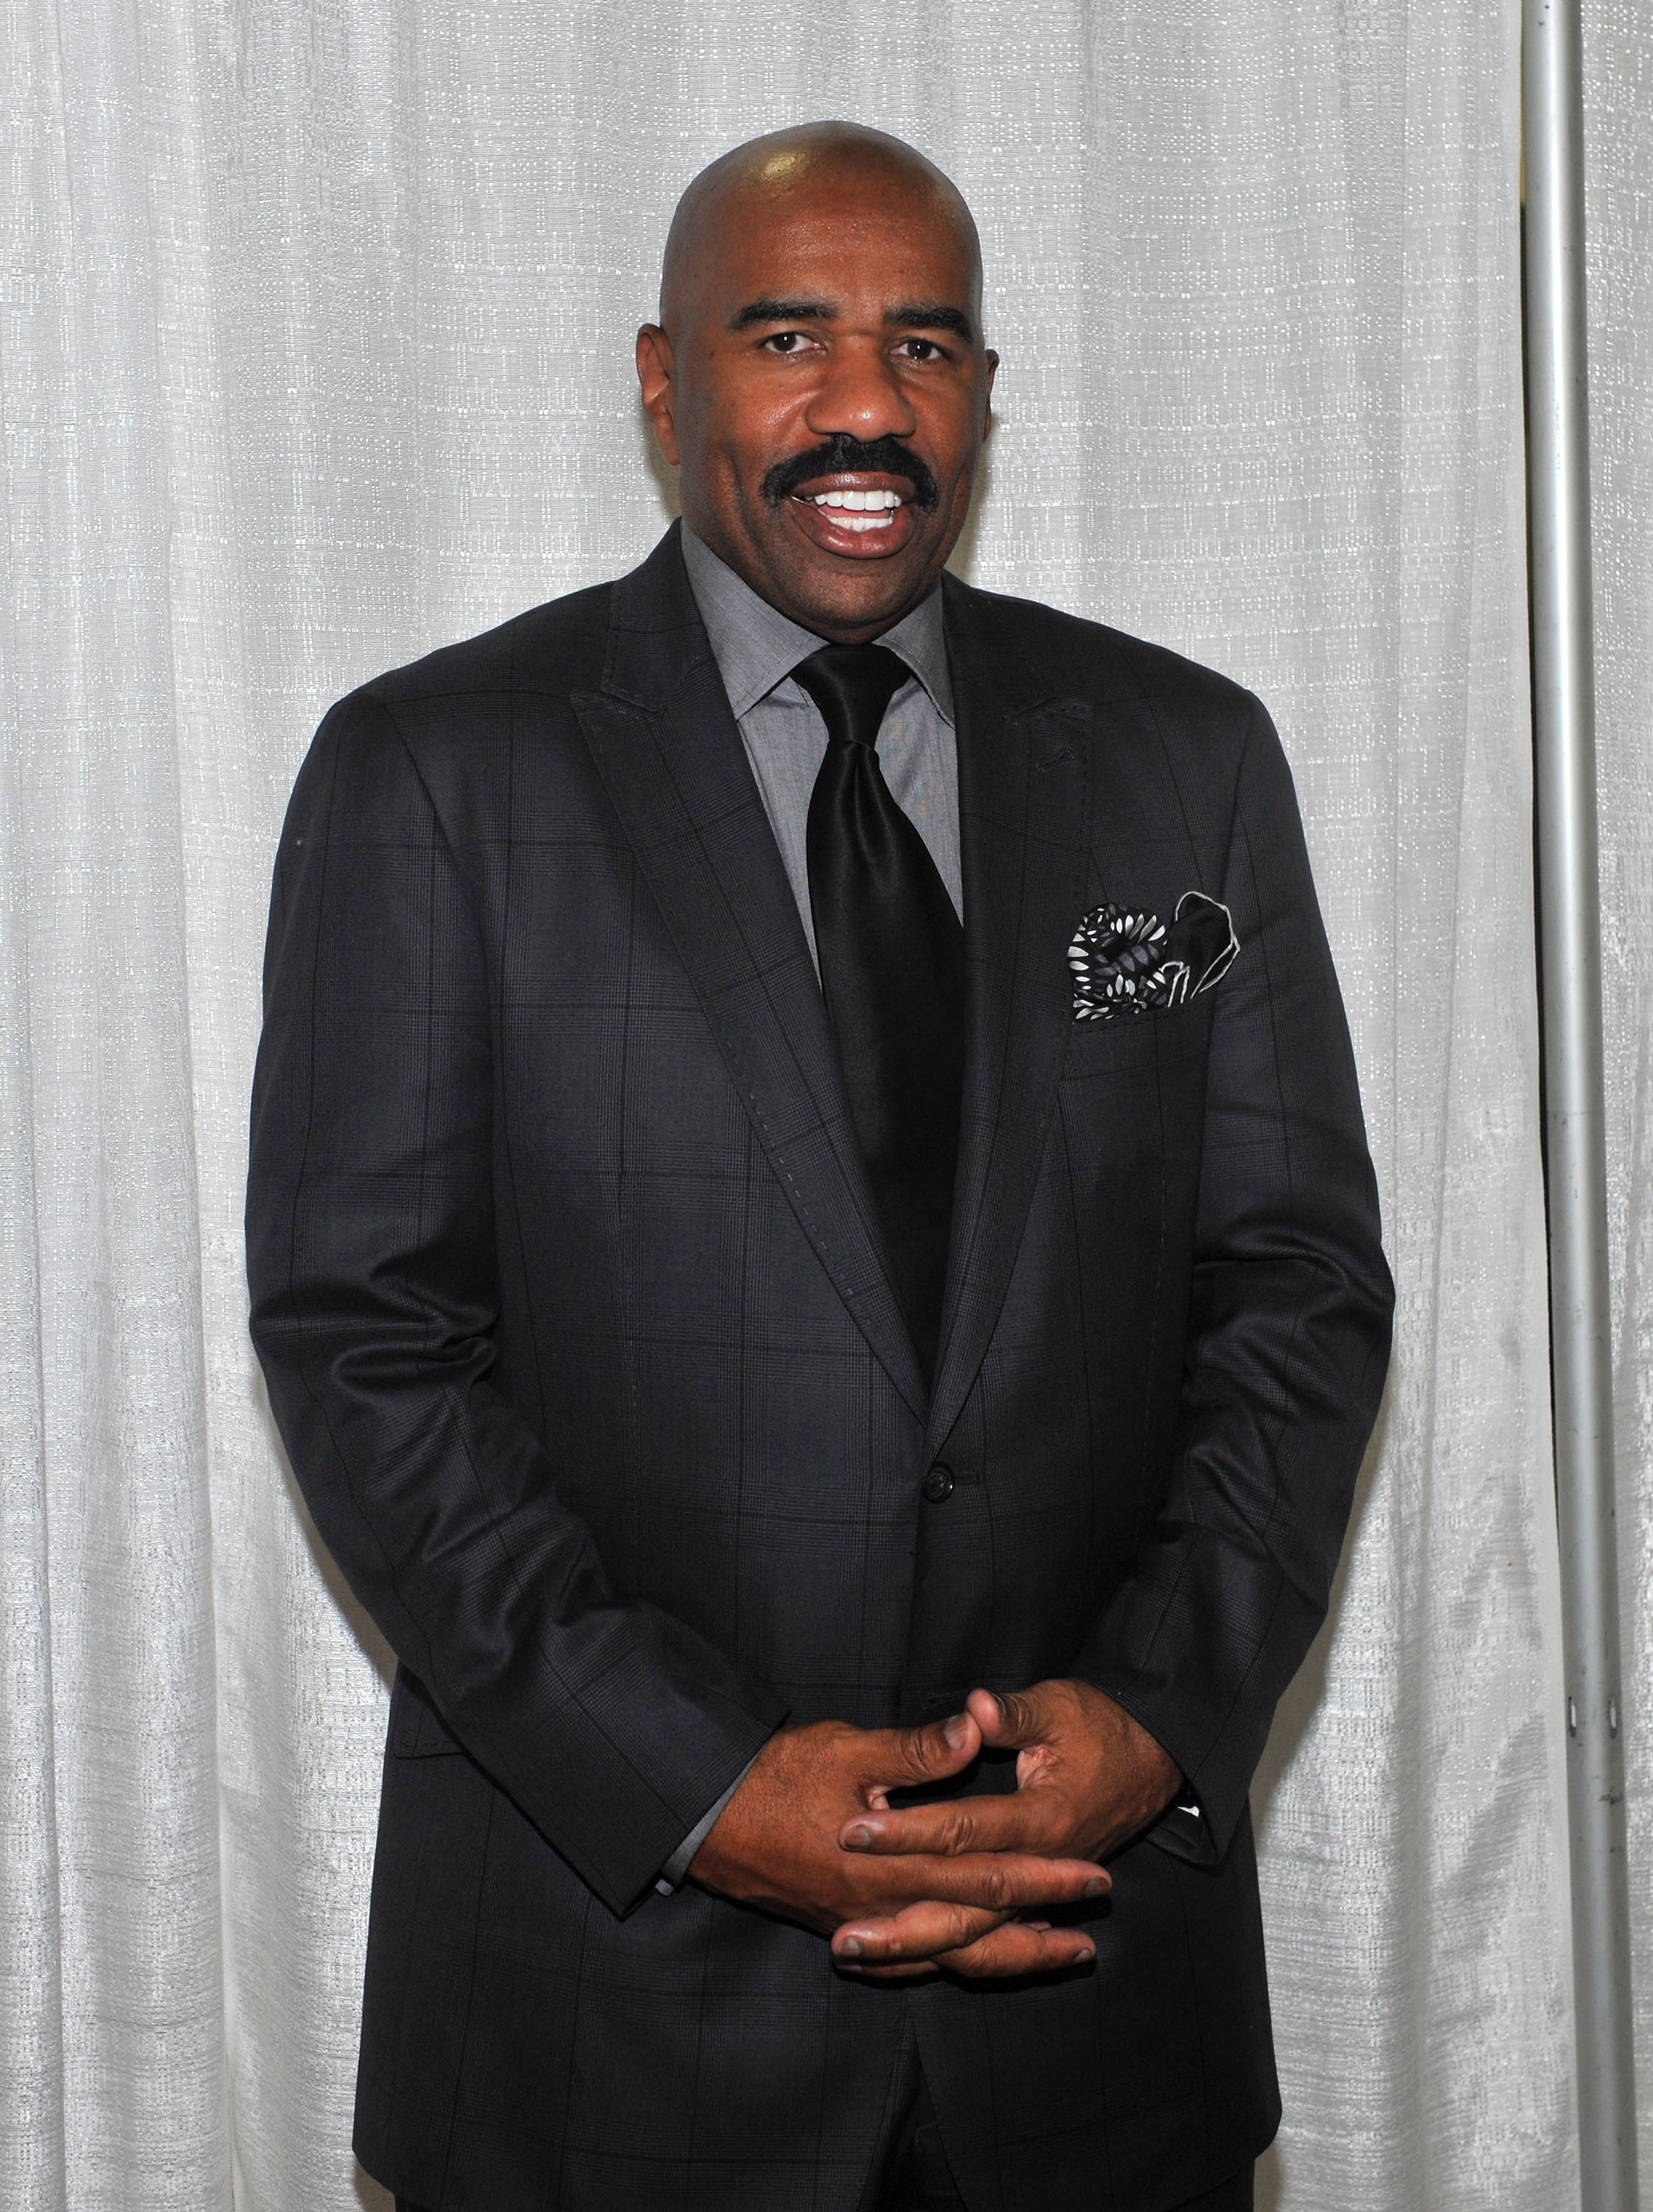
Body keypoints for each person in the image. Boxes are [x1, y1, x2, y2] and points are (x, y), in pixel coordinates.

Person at [246, 120, 1393, 2212]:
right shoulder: (436, 772)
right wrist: (700, 1787)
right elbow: (368, 1345)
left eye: (925, 346)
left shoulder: (1184, 760)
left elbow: (1295, 1292)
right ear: (663, 380)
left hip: (1093, 2010)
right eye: (789, 338)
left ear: (981, 390)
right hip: (604, 2023)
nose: (865, 406)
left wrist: (1144, 1722)